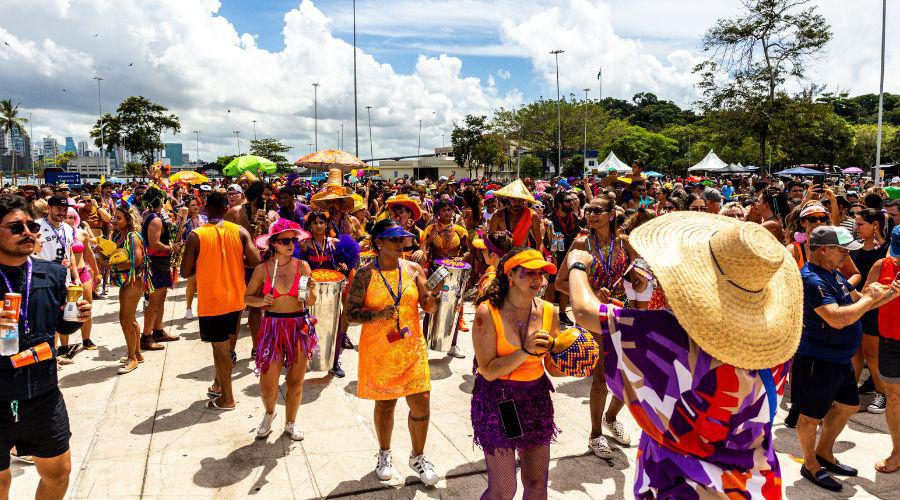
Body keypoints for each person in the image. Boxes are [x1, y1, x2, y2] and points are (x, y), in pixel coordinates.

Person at [567, 211, 802, 498]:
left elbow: (584, 312)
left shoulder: (666, 333)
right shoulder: (773, 340)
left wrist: (577, 265)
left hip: (678, 484)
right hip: (752, 484)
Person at [0, 193, 91, 500]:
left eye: (30, 226)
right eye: (16, 227)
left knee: (58, 473)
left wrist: (77, 318)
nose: (28, 232)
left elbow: (62, 326)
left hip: (42, 393)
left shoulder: (52, 273)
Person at [793, 226, 896, 491]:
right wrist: (868, 299)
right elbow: (838, 318)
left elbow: (861, 302)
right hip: (818, 358)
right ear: (824, 249)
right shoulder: (812, 280)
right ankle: (810, 463)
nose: (847, 255)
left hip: (839, 358)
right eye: (842, 250)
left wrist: (891, 292)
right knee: (810, 416)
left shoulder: (834, 273)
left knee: (849, 405)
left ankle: (824, 452)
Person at [345, 219, 442, 485]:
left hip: (411, 346)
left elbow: (428, 307)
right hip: (379, 348)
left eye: (403, 240)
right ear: (379, 243)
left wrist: (435, 296)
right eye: (395, 240)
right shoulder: (365, 274)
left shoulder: (413, 269)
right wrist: (376, 315)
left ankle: (418, 456)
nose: (402, 244)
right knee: (386, 403)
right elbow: (349, 314)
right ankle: (384, 453)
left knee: (421, 399)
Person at [470, 247, 562, 499]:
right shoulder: (487, 312)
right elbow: (487, 370)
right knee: (503, 490)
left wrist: (573, 361)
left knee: (536, 484)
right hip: (498, 402)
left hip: (535, 400)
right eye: (530, 273)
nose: (538, 280)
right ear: (510, 275)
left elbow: (552, 366)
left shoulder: (549, 311)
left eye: (541, 273)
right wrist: (525, 351)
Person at [554, 196, 631, 458]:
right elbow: (560, 283)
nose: (591, 215)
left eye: (598, 210)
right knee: (601, 377)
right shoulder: (580, 244)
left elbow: (640, 275)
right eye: (588, 211)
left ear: (612, 214)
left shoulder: (625, 243)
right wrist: (591, 292)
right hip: (594, 316)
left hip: (623, 314)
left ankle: (611, 417)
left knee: (627, 375)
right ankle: (595, 434)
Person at [181, 192, 260, 410]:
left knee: (220, 349)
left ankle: (228, 398)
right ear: (226, 208)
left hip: (213, 300)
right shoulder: (240, 231)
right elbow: (255, 261)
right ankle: (219, 386)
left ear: (205, 207)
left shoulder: (196, 236)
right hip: (236, 298)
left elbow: (185, 271)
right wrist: (236, 260)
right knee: (227, 347)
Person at [245, 219, 317, 441]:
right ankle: (269, 413)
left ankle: (291, 422)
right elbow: (246, 297)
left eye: (293, 240)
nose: (290, 244)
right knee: (268, 385)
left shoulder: (302, 266)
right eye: (285, 241)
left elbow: (310, 300)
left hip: (298, 325)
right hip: (273, 326)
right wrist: (261, 300)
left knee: (296, 382)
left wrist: (312, 290)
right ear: (274, 244)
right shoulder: (263, 270)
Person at [850, 208, 888, 413]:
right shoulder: (854, 249)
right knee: (855, 353)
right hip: (855, 305)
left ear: (875, 225)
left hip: (874, 308)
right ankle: (849, 392)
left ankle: (882, 395)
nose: (856, 228)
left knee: (872, 355)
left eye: (860, 224)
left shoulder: (886, 251)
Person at [870, 226, 900, 473]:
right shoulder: (882, 265)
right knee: (894, 398)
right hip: (890, 342)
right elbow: (863, 303)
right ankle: (897, 452)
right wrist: (887, 294)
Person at [107, 203, 147, 374]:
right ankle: (137, 353)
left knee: (125, 319)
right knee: (130, 319)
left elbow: (137, 261)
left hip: (134, 282)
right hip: (128, 282)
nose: (114, 220)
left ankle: (132, 359)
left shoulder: (132, 236)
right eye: (114, 217)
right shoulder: (119, 234)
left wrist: (111, 265)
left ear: (128, 220)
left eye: (118, 218)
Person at [139, 186, 179, 350]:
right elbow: (154, 244)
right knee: (154, 302)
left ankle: (158, 330)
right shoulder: (155, 219)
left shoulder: (153, 216)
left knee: (161, 299)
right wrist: (172, 248)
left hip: (160, 264)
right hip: (155, 264)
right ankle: (146, 336)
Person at [546, 190, 584, 326]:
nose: (572, 203)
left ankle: (562, 313)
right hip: (554, 257)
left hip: (569, 256)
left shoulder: (573, 218)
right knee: (551, 286)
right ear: (559, 204)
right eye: (568, 201)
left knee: (566, 285)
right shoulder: (550, 220)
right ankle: (548, 314)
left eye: (572, 200)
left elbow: (577, 234)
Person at [65, 208, 99, 351]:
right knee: (65, 309)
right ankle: (64, 346)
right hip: (66, 275)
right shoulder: (58, 235)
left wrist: (96, 272)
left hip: (83, 273)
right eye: (66, 217)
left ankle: (86, 339)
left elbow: (89, 255)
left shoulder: (82, 233)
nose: (69, 219)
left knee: (86, 308)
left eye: (72, 217)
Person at [488, 180, 543, 251]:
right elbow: (490, 241)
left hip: (522, 257)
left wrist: (539, 258)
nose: (517, 203)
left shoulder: (532, 215)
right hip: (502, 257)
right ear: (508, 198)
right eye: (513, 199)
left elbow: (539, 242)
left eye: (520, 200)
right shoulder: (498, 216)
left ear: (524, 200)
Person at [180, 197, 207, 320]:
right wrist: (184, 217)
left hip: (205, 254)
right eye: (192, 205)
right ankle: (188, 307)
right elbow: (180, 233)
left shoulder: (205, 219)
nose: (196, 207)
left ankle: (203, 308)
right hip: (190, 254)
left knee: (204, 284)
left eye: (197, 204)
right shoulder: (185, 220)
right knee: (191, 282)